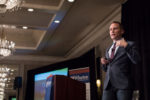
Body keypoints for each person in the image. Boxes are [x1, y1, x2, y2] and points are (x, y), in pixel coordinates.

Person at [101, 21, 140, 100]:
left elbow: (136, 60)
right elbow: (106, 69)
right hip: (108, 85)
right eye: (110, 29)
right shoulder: (108, 49)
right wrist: (104, 63)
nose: (112, 31)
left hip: (123, 85)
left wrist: (126, 46)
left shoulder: (129, 44)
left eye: (115, 28)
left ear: (122, 31)